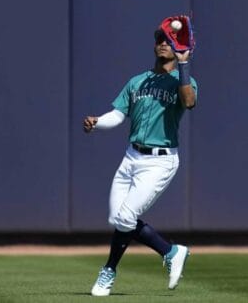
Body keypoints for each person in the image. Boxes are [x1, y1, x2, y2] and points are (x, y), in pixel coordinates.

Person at [83, 16, 197, 297]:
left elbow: (189, 102)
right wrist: (98, 121)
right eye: (159, 39)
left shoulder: (183, 81)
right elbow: (118, 115)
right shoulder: (137, 81)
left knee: (126, 216)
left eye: (168, 40)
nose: (162, 44)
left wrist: (183, 64)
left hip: (160, 160)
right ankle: (171, 252)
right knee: (117, 218)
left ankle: (109, 270)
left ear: (177, 47)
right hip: (131, 157)